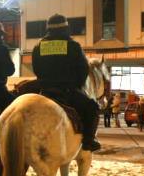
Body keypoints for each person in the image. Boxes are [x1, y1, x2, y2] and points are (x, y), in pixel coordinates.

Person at [32, 13, 101, 151]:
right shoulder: (73, 45)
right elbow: (83, 70)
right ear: (65, 28)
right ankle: (88, 140)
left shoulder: (39, 46)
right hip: (67, 92)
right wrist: (78, 85)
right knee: (93, 107)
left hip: (45, 92)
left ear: (48, 29)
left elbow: (36, 69)